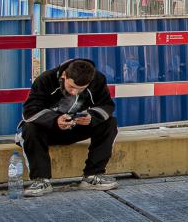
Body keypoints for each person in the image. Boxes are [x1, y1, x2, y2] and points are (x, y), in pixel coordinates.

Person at [16, 58, 118, 197]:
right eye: (71, 87)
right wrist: (55, 120)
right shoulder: (45, 79)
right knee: (29, 128)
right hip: (48, 130)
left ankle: (92, 176)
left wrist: (92, 117)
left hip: (76, 127)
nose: (75, 92)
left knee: (109, 122)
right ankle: (41, 180)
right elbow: (30, 111)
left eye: (81, 89)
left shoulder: (97, 79)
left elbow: (107, 105)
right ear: (64, 75)